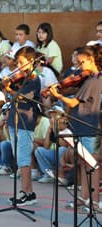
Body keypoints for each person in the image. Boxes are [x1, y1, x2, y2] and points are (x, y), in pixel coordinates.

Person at [49, 45, 102, 211]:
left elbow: (73, 102)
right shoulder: (87, 78)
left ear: (91, 60)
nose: (78, 67)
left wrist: (58, 96)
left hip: (89, 127)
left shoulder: (95, 80)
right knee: (83, 164)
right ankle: (84, 196)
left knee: (91, 166)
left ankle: (93, 201)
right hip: (80, 125)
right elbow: (74, 88)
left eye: (81, 63)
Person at [0, 46, 41, 206]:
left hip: (25, 123)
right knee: (19, 158)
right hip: (14, 120)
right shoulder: (21, 79)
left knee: (23, 158)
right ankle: (28, 192)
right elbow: (10, 98)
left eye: (21, 62)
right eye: (18, 62)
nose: (18, 66)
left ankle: (26, 193)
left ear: (31, 62)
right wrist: (4, 88)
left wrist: (9, 89)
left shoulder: (34, 79)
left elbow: (25, 98)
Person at [35, 106, 70, 185]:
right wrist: (48, 132)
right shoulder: (52, 129)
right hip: (55, 154)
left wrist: (56, 131)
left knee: (62, 150)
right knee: (39, 150)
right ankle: (49, 175)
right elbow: (46, 146)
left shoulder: (66, 128)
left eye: (54, 117)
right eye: (51, 117)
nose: (51, 119)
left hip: (66, 157)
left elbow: (64, 145)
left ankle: (62, 176)